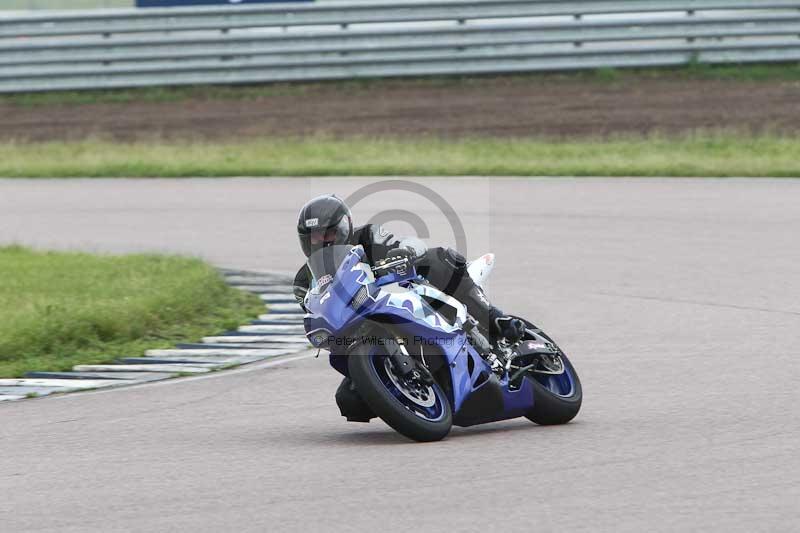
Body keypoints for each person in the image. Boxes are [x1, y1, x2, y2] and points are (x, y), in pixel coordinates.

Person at [293, 194, 524, 345]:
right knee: (349, 401)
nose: (323, 240)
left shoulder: (366, 236)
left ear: (344, 227)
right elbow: (314, 313)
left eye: (329, 233)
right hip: (358, 330)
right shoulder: (304, 280)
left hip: (399, 294)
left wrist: (405, 252)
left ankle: (495, 319)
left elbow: (405, 244)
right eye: (315, 237)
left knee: (438, 258)